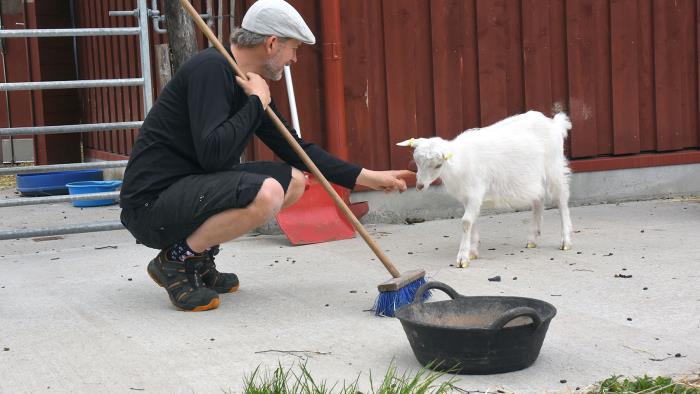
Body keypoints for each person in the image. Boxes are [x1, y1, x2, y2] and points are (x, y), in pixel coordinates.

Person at [119, 0, 412, 311]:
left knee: (294, 181)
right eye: (294, 49)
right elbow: (213, 156)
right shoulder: (211, 70)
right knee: (267, 192)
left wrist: (368, 177)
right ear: (272, 43)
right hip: (151, 206)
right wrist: (257, 103)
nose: (294, 59)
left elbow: (298, 151)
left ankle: (198, 258)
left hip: (188, 190)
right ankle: (175, 260)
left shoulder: (246, 84)